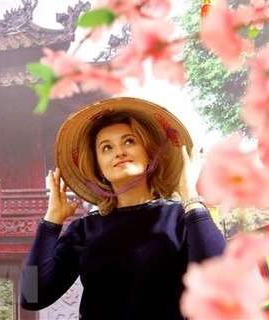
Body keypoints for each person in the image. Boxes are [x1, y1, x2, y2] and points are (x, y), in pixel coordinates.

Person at [20, 97, 226, 320]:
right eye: (106, 147)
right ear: (98, 167)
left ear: (149, 153)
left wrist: (190, 197)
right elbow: (30, 296)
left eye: (129, 141)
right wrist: (50, 224)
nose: (119, 151)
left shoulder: (181, 218)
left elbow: (220, 281)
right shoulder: (84, 230)